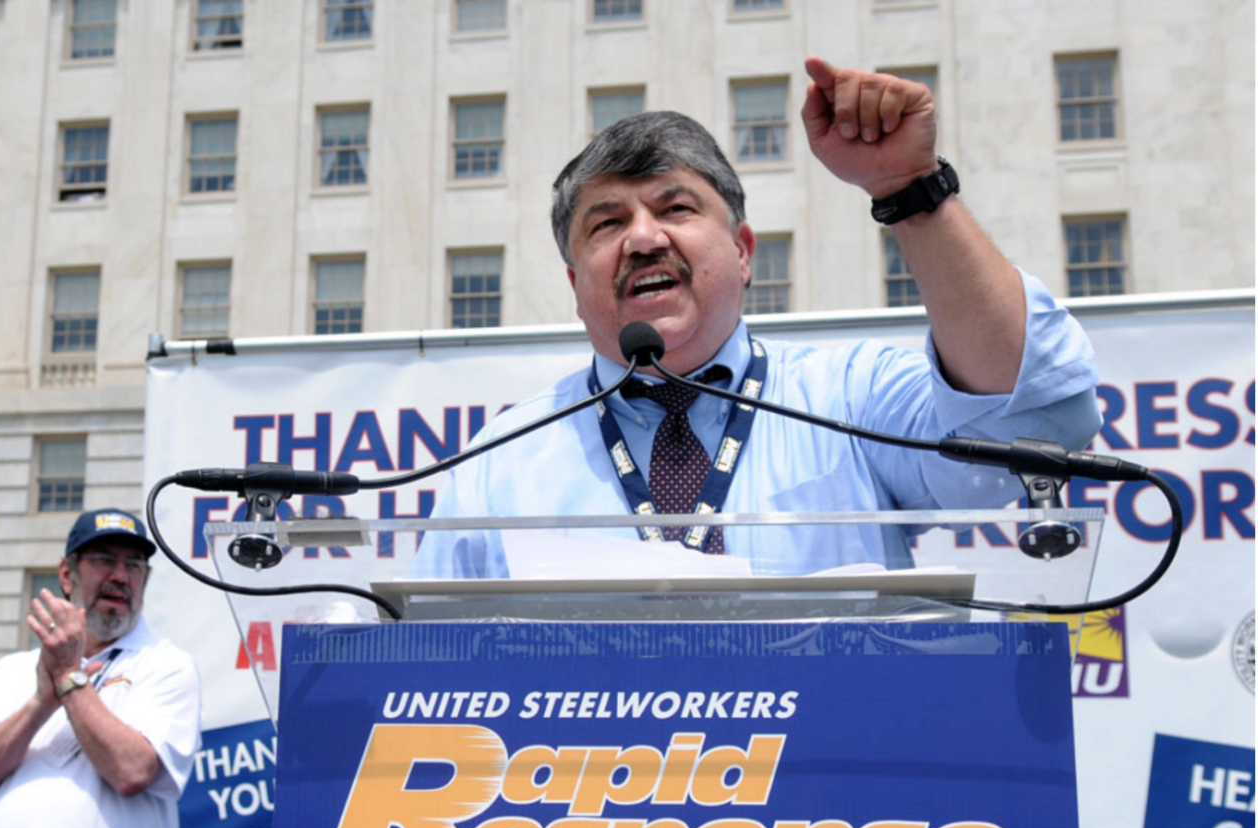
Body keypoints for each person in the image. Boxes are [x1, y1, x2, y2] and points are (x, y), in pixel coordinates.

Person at [411, 58, 1101, 578]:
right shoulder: (502, 460)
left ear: (743, 252)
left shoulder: (848, 397)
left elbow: (1037, 418)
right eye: (607, 222)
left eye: (676, 208)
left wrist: (908, 191)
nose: (644, 238)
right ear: (573, 281)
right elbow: (422, 664)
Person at [0, 509, 202, 828]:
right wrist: (39, 706)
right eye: (103, 560)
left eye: (134, 565)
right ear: (67, 575)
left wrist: (68, 679)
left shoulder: (166, 665)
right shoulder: (9, 672)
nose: (120, 575)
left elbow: (132, 770)